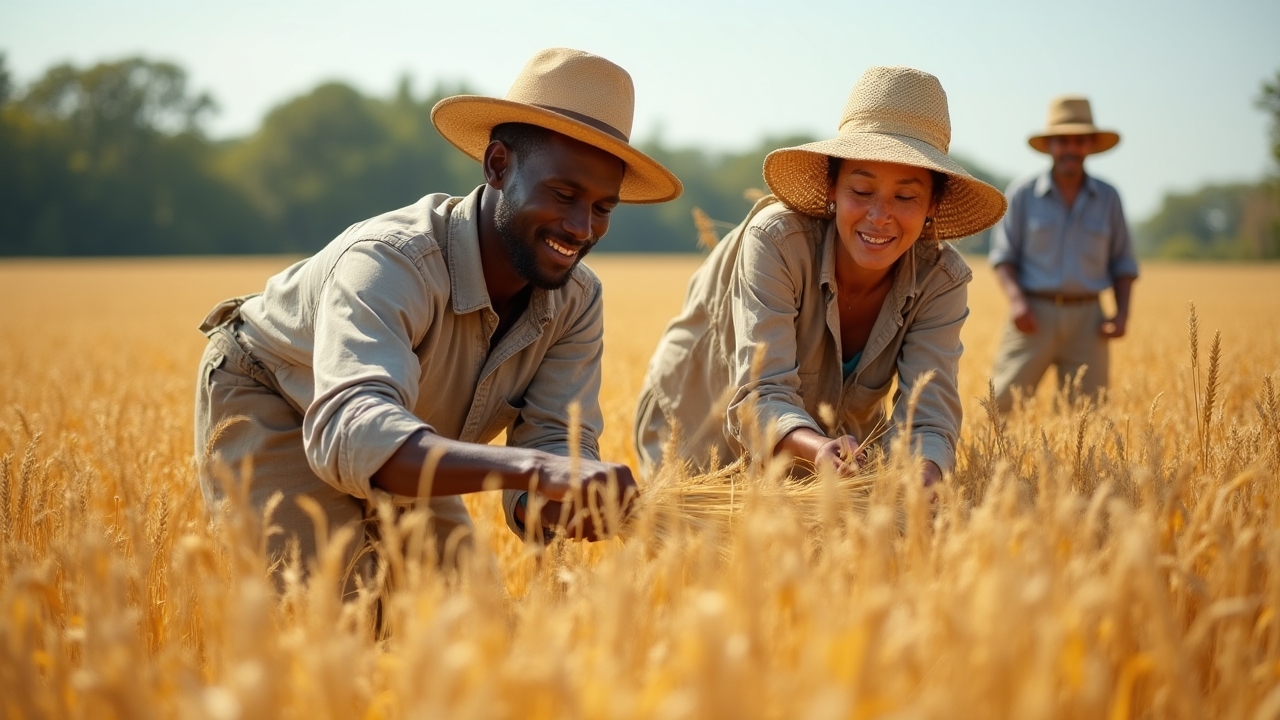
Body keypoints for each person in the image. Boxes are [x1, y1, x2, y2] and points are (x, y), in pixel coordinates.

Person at [194, 48, 682, 584]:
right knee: (331, 621)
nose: (581, 228)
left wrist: (562, 502)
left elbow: (550, 446)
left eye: (602, 209)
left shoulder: (576, 299)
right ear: (498, 165)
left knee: (473, 631)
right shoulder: (390, 260)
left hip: (407, 437)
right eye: (563, 194)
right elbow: (356, 431)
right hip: (275, 396)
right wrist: (542, 471)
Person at [635, 66, 1006, 487]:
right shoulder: (777, 240)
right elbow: (761, 391)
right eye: (861, 191)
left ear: (932, 205)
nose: (879, 216)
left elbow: (929, 415)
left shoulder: (941, 278)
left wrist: (920, 478)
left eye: (905, 196)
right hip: (697, 422)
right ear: (832, 187)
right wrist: (817, 449)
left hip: (830, 453)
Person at [988, 96, 1138, 412]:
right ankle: (990, 465)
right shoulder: (1023, 193)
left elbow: (1123, 261)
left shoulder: (1109, 198)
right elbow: (1003, 256)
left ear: (1090, 146)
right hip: (1032, 314)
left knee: (1087, 417)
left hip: (1089, 320)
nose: (1071, 148)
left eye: (1079, 141)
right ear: (1050, 146)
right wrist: (1017, 302)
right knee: (1000, 408)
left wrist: (1122, 313)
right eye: (1063, 141)